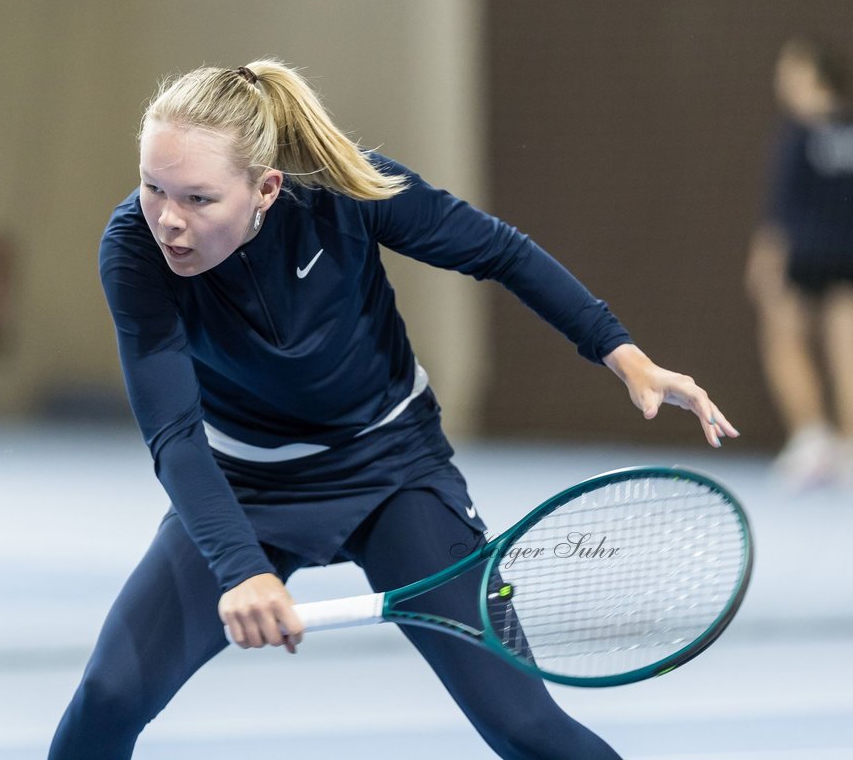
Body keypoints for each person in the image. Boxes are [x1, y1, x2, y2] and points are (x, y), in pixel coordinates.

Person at [51, 60, 738, 759]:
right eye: (152, 187)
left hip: (393, 472)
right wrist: (242, 567)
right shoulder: (133, 251)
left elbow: (497, 251)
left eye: (198, 198)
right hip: (244, 485)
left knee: (525, 726)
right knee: (108, 696)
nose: (168, 219)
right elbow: (173, 432)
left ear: (266, 189)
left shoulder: (345, 187)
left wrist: (620, 352)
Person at [745, 38, 853, 488]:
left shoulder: (797, 131)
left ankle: (811, 436)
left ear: (812, 72)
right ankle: (842, 446)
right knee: (846, 348)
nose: (782, 77)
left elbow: (781, 209)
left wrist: (766, 260)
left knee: (781, 337)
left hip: (806, 255)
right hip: (846, 256)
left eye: (790, 67)